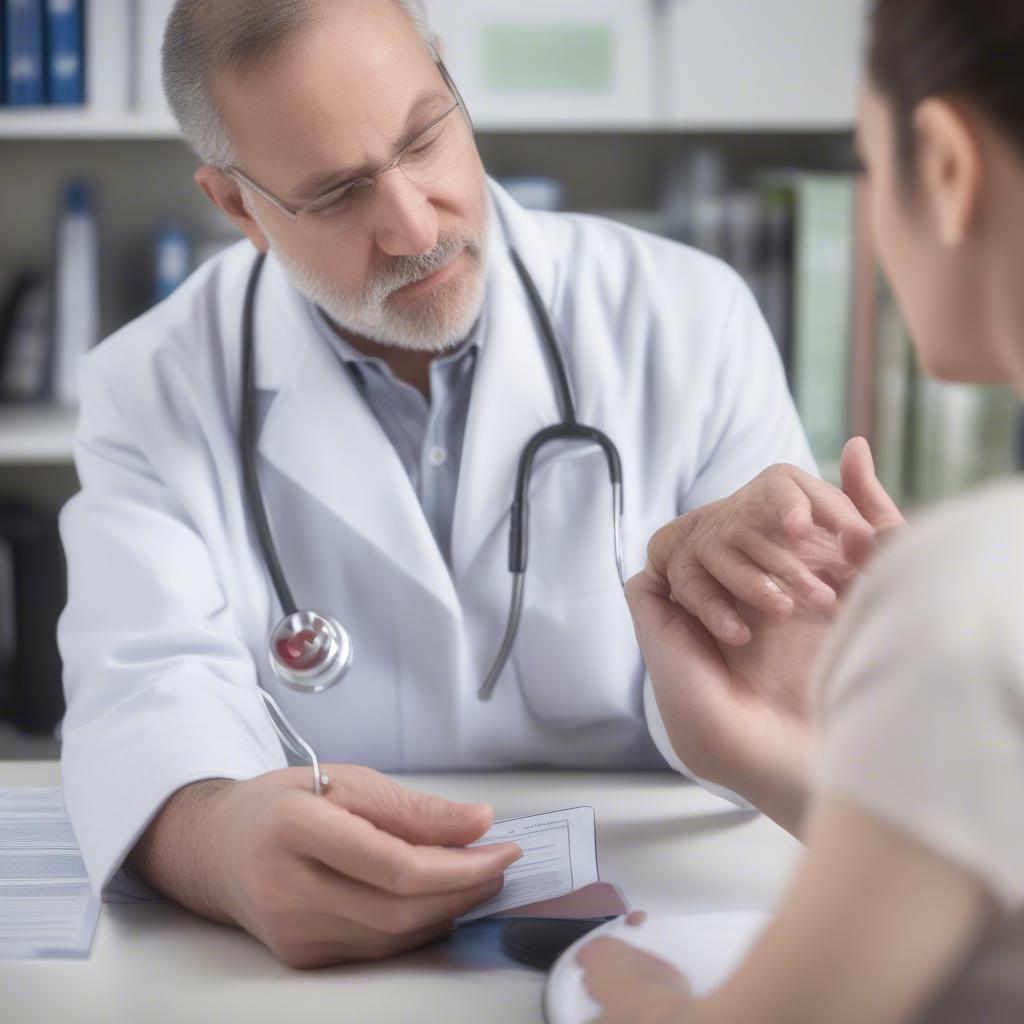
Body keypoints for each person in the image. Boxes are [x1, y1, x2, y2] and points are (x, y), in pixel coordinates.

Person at [57, 0, 892, 968]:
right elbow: (144, 698)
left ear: (451, 81)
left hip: (655, 917)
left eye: (423, 136)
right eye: (334, 195)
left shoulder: (690, 321)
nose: (413, 225)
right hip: (322, 973)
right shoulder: (149, 386)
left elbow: (773, 706)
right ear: (238, 206)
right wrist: (222, 845)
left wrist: (789, 658)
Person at [579, 1, 1024, 1021]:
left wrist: (638, 993)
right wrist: (786, 759)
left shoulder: (971, 591)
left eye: (868, 161)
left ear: (946, 170)